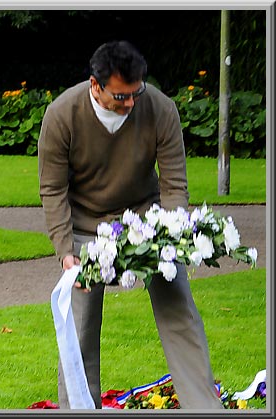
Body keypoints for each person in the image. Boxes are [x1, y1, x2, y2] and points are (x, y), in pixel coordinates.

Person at [38, 40, 223, 409]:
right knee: (80, 329)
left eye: (136, 92)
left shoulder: (160, 107)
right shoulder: (61, 114)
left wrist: (170, 234)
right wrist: (64, 251)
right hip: (85, 229)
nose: (132, 103)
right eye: (121, 96)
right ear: (96, 85)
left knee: (180, 313)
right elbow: (52, 189)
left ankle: (205, 407)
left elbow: (174, 183)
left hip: (148, 222)